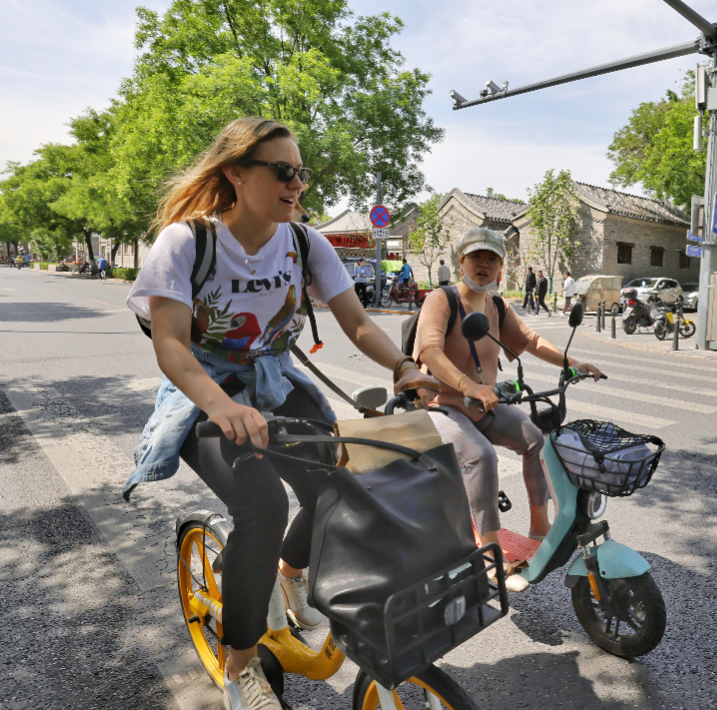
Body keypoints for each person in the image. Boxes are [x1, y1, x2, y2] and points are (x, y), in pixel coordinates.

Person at [123, 117, 436, 710]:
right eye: (283, 171)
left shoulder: (304, 242)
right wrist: (220, 406)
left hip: (273, 382)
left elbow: (359, 322)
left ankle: (287, 575)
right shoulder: (187, 241)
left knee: (338, 489)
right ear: (236, 174)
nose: (298, 185)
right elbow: (169, 345)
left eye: (302, 173)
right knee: (263, 505)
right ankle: (241, 668)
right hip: (204, 390)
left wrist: (403, 367)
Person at [413, 228, 604, 592]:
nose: (483, 264)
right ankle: (489, 549)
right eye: (476, 257)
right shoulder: (441, 299)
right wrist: (468, 385)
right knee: (482, 456)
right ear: (461, 261)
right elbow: (430, 353)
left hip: (484, 404)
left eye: (492, 258)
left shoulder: (496, 305)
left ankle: (539, 525)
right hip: (443, 407)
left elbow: (530, 341)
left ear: (501, 266)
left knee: (536, 439)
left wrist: (573, 363)